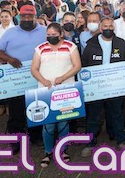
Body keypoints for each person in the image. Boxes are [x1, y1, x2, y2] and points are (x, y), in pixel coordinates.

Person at [0, 5, 47, 152]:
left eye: (30, 16)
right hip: (17, 80)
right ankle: (15, 141)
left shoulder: (45, 31)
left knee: (37, 108)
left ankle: (36, 136)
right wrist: (9, 59)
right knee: (16, 112)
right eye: (24, 16)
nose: (27, 19)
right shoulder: (10, 32)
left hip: (39, 78)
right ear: (19, 17)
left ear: (36, 16)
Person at [30, 23, 81, 167]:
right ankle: (48, 152)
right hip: (45, 91)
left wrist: (63, 78)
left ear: (61, 34)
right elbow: (34, 69)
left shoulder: (70, 46)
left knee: (63, 122)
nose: (51, 37)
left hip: (65, 89)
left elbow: (77, 66)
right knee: (48, 124)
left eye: (54, 35)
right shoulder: (40, 48)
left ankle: (62, 151)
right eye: (48, 35)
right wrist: (43, 80)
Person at [81, 17, 125, 156]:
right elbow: (84, 65)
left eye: (110, 26)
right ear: (100, 28)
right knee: (93, 116)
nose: (108, 28)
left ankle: (120, 141)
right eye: (105, 26)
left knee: (117, 114)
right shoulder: (91, 45)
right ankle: (90, 143)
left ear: (114, 28)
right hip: (95, 88)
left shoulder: (122, 44)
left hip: (115, 86)